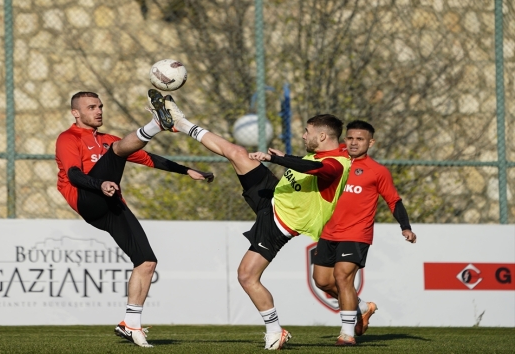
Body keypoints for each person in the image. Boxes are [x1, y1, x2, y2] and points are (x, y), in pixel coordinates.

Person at [160, 95, 351, 350]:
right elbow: (306, 166)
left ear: (323, 136)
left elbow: (318, 170)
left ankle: (275, 330)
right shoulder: (320, 155)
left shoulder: (337, 164)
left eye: (307, 132)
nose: (304, 136)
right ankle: (181, 123)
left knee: (247, 276)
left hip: (278, 223)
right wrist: (281, 159)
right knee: (236, 152)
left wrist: (278, 159)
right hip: (272, 195)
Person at [55, 90, 214, 348]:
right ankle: (156, 124)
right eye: (92, 107)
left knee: (147, 262)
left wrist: (187, 170)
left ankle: (131, 323)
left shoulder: (110, 140)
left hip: (111, 203)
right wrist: (100, 183)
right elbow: (73, 175)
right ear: (76, 113)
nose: (99, 111)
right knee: (117, 151)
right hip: (87, 199)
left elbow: (150, 159)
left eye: (100, 106)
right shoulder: (68, 138)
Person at [312, 120, 417, 346]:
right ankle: (361, 307)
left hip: (357, 234)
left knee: (342, 277)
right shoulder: (335, 160)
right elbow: (311, 152)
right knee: (321, 281)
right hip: (328, 232)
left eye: (360, 139)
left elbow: (394, 201)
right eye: (350, 138)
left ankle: (347, 334)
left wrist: (405, 227)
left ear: (371, 142)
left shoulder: (378, 171)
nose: (353, 142)